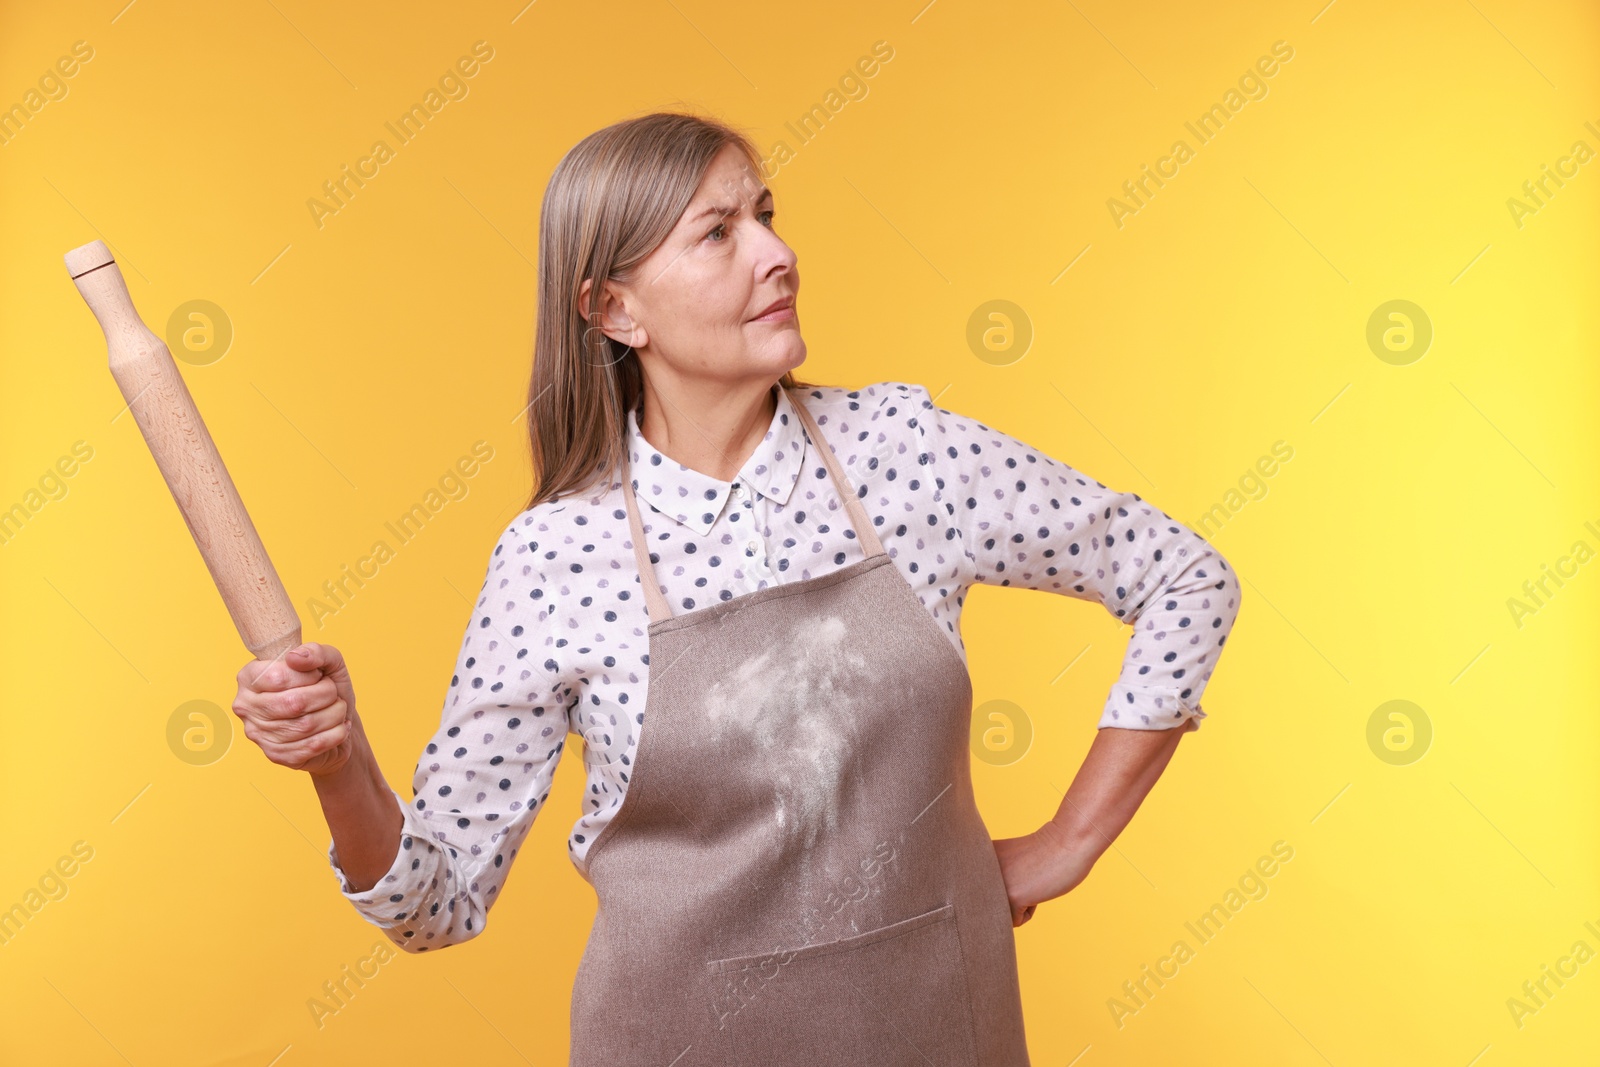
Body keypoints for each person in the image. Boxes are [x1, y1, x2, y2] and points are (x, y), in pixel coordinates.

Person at [232, 110, 1241, 1065]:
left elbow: (1184, 577)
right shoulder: (553, 557)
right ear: (613, 307)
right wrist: (337, 757)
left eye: (765, 216)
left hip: (938, 1023)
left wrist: (1068, 843)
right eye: (717, 232)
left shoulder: (903, 452)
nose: (775, 254)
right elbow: (435, 898)